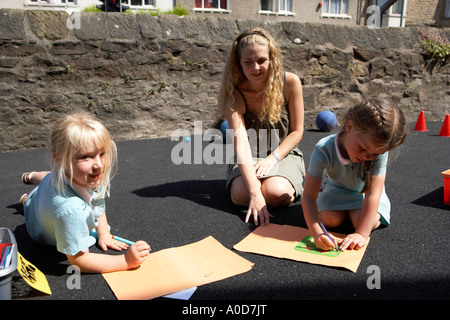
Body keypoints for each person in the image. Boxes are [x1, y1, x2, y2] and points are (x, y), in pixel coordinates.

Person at [20, 112, 150, 273]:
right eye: (86, 157)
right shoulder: (70, 210)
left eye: (102, 154)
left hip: (46, 191)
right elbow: (80, 260)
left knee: (47, 177)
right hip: (37, 222)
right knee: (31, 200)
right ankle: (25, 198)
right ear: (60, 160)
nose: (99, 165)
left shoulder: (83, 175)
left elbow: (97, 202)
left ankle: (31, 177)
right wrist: (125, 261)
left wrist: (104, 234)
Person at [218, 28, 306, 226]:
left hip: (282, 153)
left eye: (261, 61)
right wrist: (255, 191)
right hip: (249, 155)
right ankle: (256, 188)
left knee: (276, 194)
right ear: (238, 62)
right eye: (248, 62)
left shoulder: (290, 82)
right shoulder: (234, 93)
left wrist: (272, 159)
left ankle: (283, 181)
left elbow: (297, 131)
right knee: (241, 195)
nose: (255, 67)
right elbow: (240, 144)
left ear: (272, 59)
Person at [302, 98, 407, 251]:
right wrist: (317, 233)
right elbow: (309, 196)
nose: (366, 156)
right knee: (329, 219)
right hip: (336, 191)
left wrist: (361, 234)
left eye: (375, 153)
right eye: (362, 148)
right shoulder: (324, 149)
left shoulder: (377, 152)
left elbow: (373, 195)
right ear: (349, 127)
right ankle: (347, 213)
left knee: (360, 221)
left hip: (364, 194)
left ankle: (354, 214)